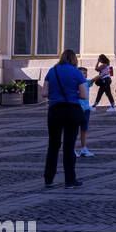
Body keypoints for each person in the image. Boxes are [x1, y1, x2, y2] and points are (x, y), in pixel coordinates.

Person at [41, 48, 87, 188]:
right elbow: (84, 95)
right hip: (71, 110)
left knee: (53, 145)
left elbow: (44, 93)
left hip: (55, 110)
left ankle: (49, 179)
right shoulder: (76, 73)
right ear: (73, 59)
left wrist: (56, 95)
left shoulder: (52, 71)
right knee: (69, 145)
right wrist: (72, 94)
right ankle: (69, 180)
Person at [76, 68, 94, 158]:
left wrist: (102, 75)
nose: (84, 75)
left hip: (86, 109)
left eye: (85, 73)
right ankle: (72, 149)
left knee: (84, 129)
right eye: (82, 73)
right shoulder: (74, 83)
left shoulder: (86, 82)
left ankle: (84, 148)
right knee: (74, 130)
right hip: (77, 108)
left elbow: (94, 80)